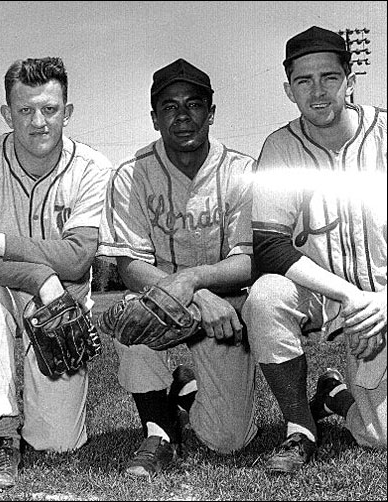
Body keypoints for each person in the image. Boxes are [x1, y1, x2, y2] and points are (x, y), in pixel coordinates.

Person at [0, 57, 113, 490]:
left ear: (67, 112)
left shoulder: (92, 166)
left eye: (50, 110)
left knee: (57, 444)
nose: (39, 122)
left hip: (63, 301)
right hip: (6, 290)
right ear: (7, 113)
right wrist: (39, 275)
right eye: (25, 110)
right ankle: (2, 436)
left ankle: (39, 424)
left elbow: (77, 260)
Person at [96, 58, 259, 478]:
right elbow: (130, 265)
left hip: (226, 308)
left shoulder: (242, 171)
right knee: (130, 314)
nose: (182, 117)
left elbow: (249, 259)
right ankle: (159, 430)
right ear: (154, 118)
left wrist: (198, 281)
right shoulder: (131, 174)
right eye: (169, 107)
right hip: (160, 302)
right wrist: (193, 291)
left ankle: (186, 391)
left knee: (229, 441)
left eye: (194, 104)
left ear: (211, 112)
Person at [242, 25, 387, 474]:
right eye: (304, 81)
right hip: (328, 298)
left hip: (384, 296)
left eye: (329, 77)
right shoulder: (281, 147)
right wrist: (351, 297)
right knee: (265, 297)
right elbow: (269, 247)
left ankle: (335, 394)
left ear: (351, 80)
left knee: (378, 438)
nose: (318, 91)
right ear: (289, 89)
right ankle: (300, 426)